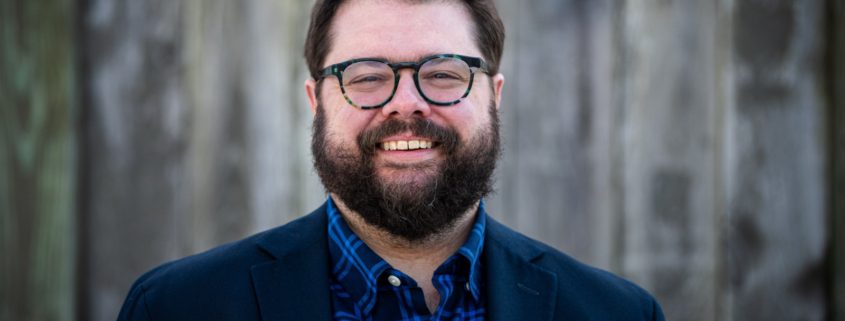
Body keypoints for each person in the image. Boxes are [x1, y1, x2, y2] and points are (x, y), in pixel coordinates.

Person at [117, 0, 665, 320]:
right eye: (368, 77)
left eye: (445, 73)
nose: (407, 103)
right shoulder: (177, 309)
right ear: (317, 101)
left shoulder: (618, 315)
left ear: (493, 96)